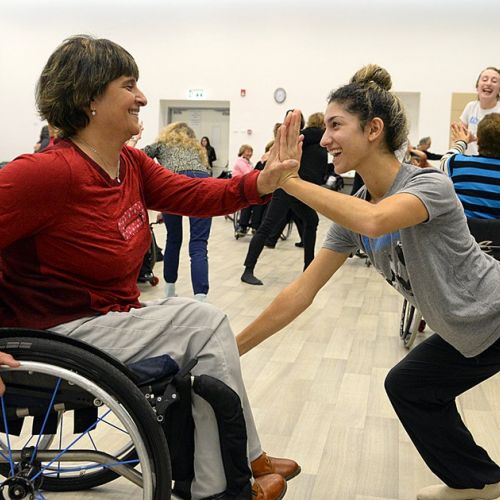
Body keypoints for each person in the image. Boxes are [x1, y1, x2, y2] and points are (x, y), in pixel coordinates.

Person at [0, 35, 302, 500]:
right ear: (88, 98)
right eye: (129, 85)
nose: (142, 97)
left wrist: (261, 181)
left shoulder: (128, 163)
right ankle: (224, 483)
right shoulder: (46, 174)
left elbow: (196, 194)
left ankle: (235, 463)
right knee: (202, 321)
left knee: (202, 327)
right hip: (58, 332)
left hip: (108, 320)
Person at [236, 64, 500, 500]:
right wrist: (235, 347)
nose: (325, 139)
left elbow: (377, 221)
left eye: (336, 125)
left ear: (374, 129)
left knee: (411, 385)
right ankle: (481, 481)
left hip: (494, 312)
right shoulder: (354, 210)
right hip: (464, 330)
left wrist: (291, 182)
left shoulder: (428, 184)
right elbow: (302, 290)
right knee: (409, 386)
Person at [241, 112, 327, 286]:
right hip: (287, 187)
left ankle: (308, 270)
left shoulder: (316, 141)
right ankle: (247, 270)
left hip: (301, 190)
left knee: (311, 221)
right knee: (266, 226)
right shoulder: (312, 135)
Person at [141, 122, 213, 302]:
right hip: (202, 185)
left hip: (172, 184)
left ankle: (169, 290)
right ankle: (200, 297)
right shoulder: (196, 149)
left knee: (173, 238)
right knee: (199, 243)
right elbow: (201, 170)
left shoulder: (162, 144)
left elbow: (137, 156)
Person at [441, 115, 500, 219]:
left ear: (479, 139)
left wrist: (462, 142)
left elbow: (445, 160)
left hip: (462, 233)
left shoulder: (457, 165)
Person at [460, 67, 500, 155]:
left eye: (494, 81)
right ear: (477, 86)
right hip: (469, 161)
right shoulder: (470, 107)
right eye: (485, 79)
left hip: (492, 164)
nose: (488, 83)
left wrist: (474, 138)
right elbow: (461, 135)